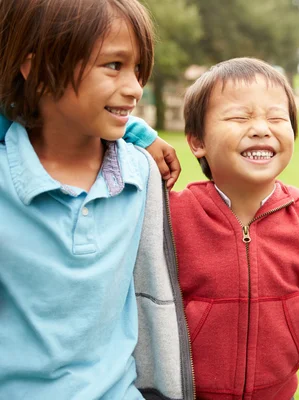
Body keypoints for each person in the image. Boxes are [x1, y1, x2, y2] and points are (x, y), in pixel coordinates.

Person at [120, 57, 299, 399]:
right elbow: (92, 112)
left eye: (276, 117)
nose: (261, 128)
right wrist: (140, 135)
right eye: (240, 117)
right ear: (196, 142)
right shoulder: (168, 215)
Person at [0, 1, 193, 399]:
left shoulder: (141, 173)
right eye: (113, 65)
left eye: (138, 69)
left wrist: (138, 135)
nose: (135, 88)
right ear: (35, 68)